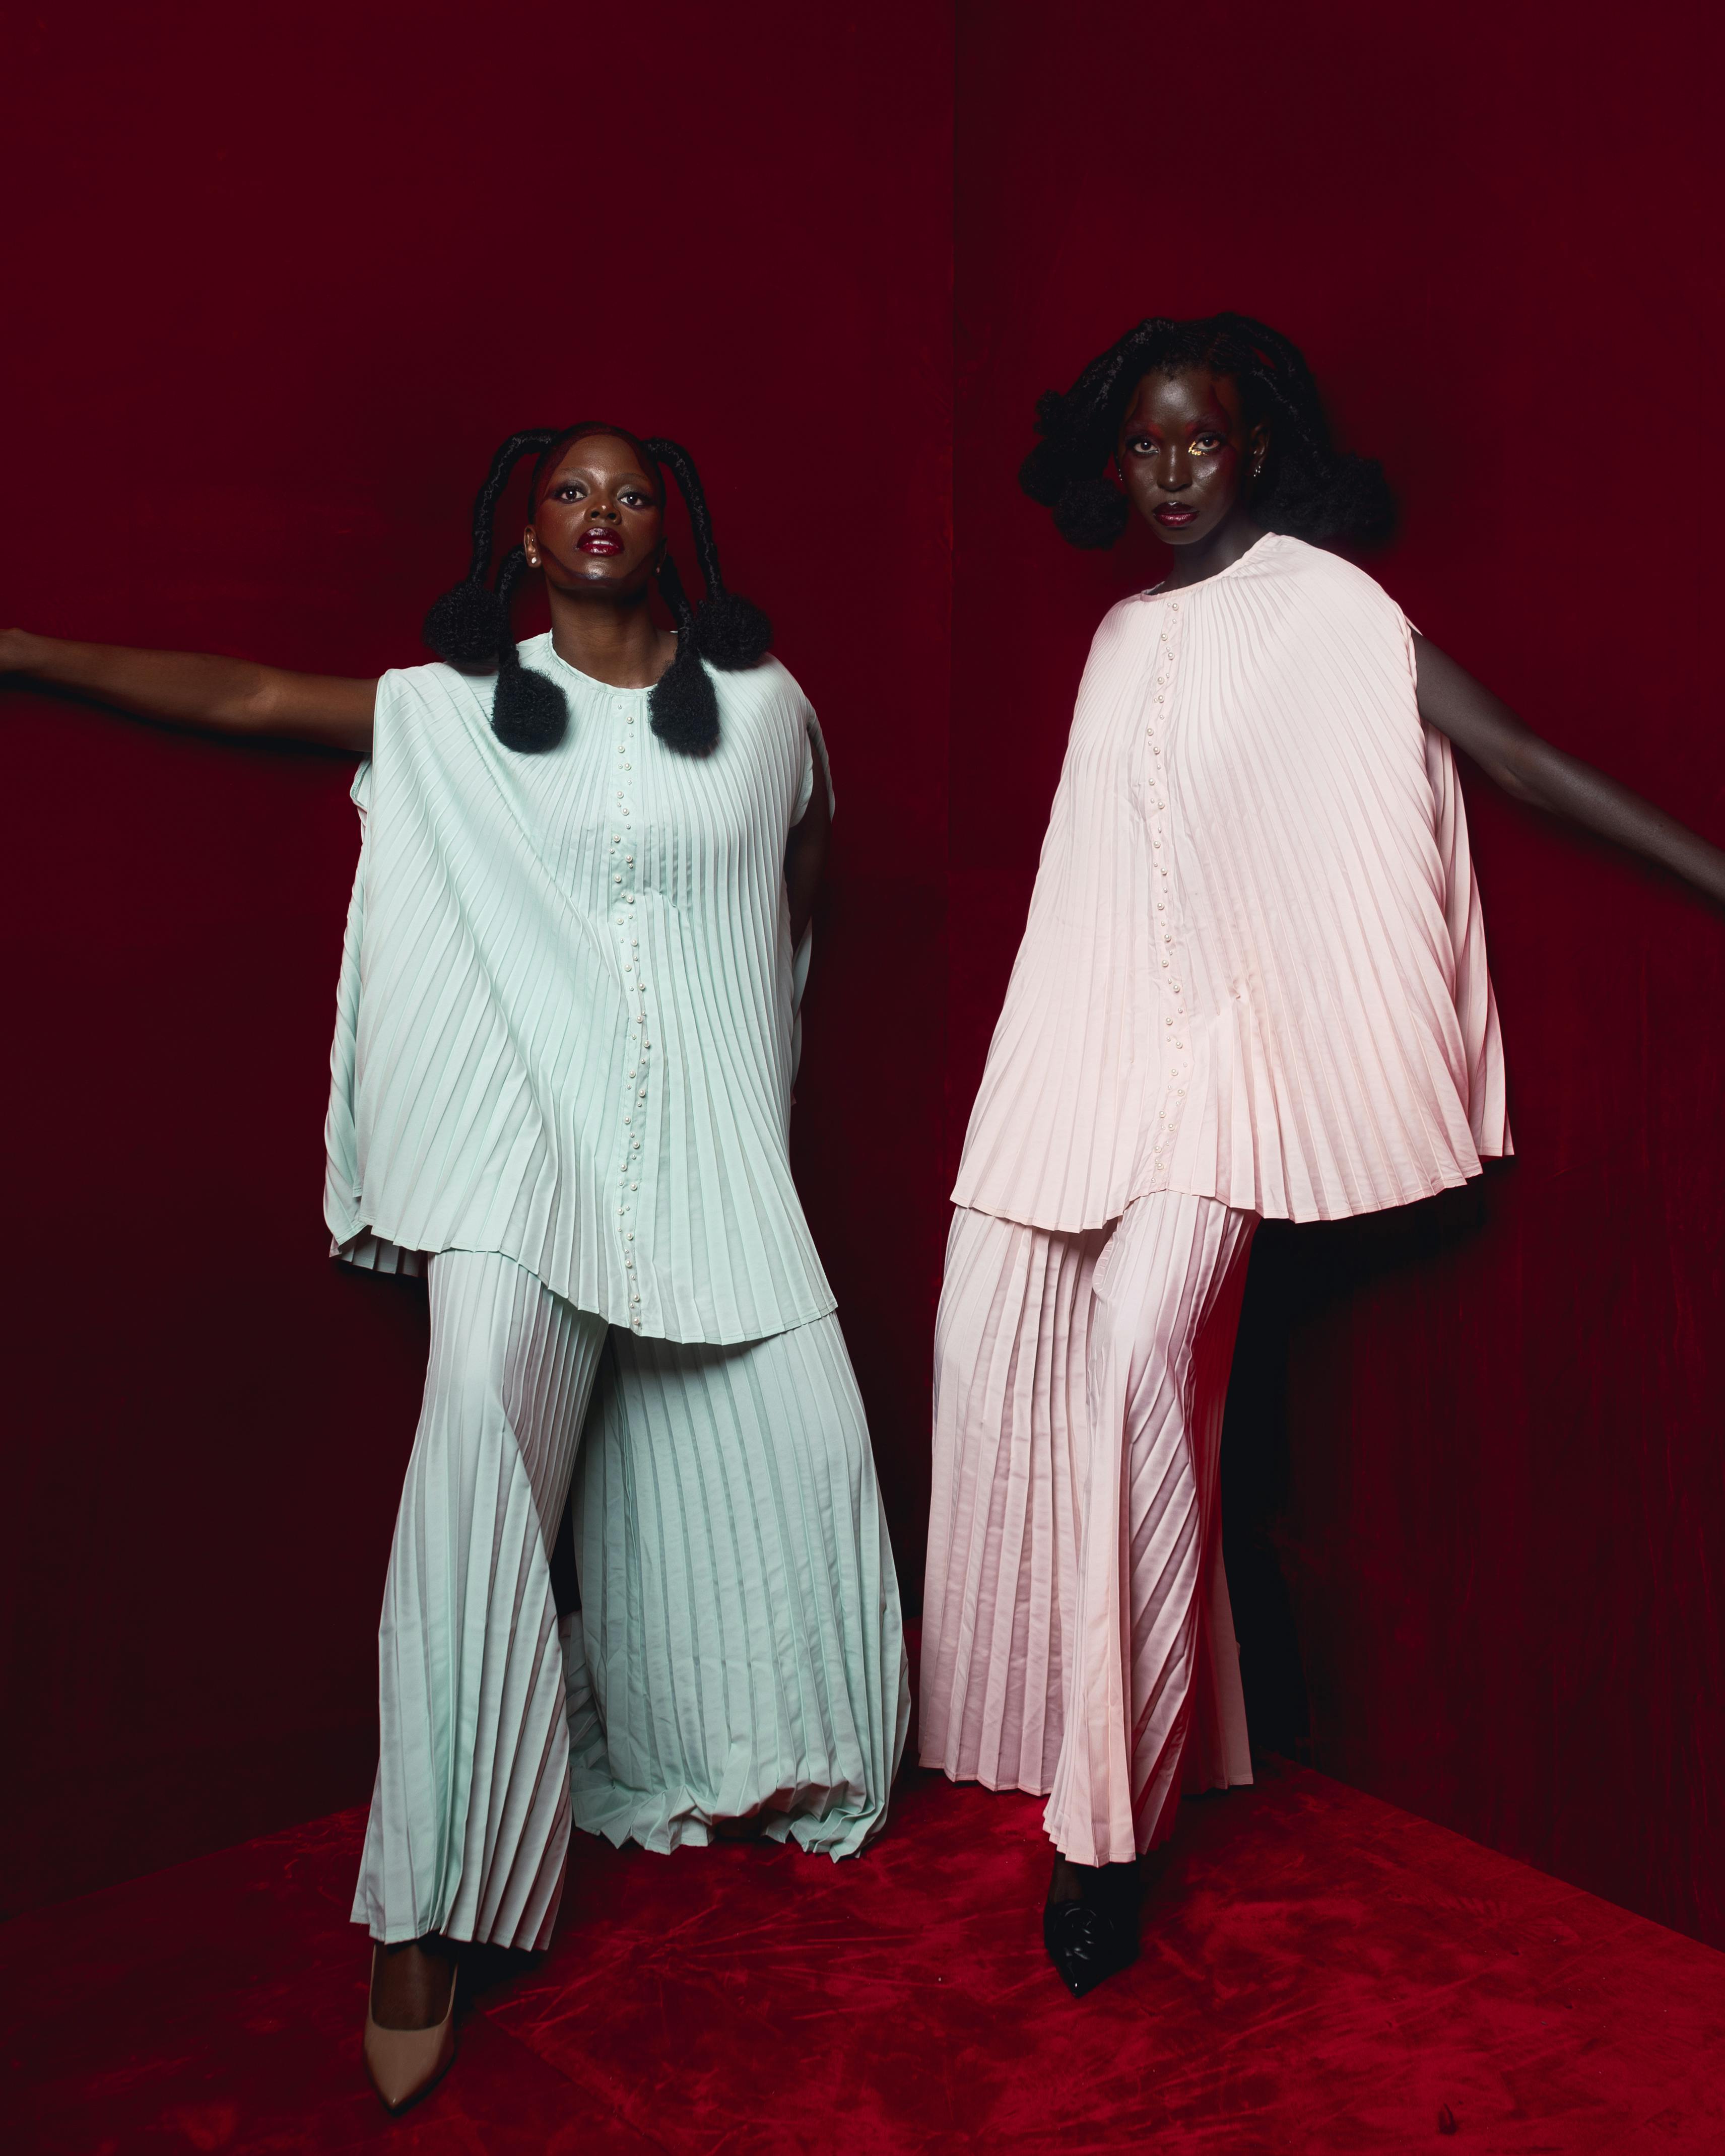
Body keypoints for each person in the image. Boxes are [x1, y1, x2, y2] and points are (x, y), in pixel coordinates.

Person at [3, 423, 910, 2107]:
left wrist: (739, 1071)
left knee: (809, 1450)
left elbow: (805, 884)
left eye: (633, 492)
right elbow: (258, 701)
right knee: (479, 1450)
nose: (601, 515)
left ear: (676, 531)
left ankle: (749, 1753)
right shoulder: (455, 706)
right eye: (568, 491)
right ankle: (425, 1908)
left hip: (714, 1166)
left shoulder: (769, 710)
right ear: (522, 532)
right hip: (520, 1159)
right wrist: (29, 652)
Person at [918, 313, 1725, 2001]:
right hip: (1090, 1071)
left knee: (1137, 1365)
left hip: (1229, 1077)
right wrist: (1036, 1098)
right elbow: (1084, 887)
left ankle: (1100, 1840)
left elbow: (1504, 756)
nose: (1169, 476)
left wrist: (1714, 871)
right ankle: (1134, 1745)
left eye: (1199, 441)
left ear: (1260, 444)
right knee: (1017, 1366)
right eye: (1141, 448)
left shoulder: (1332, 611)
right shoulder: (1119, 637)